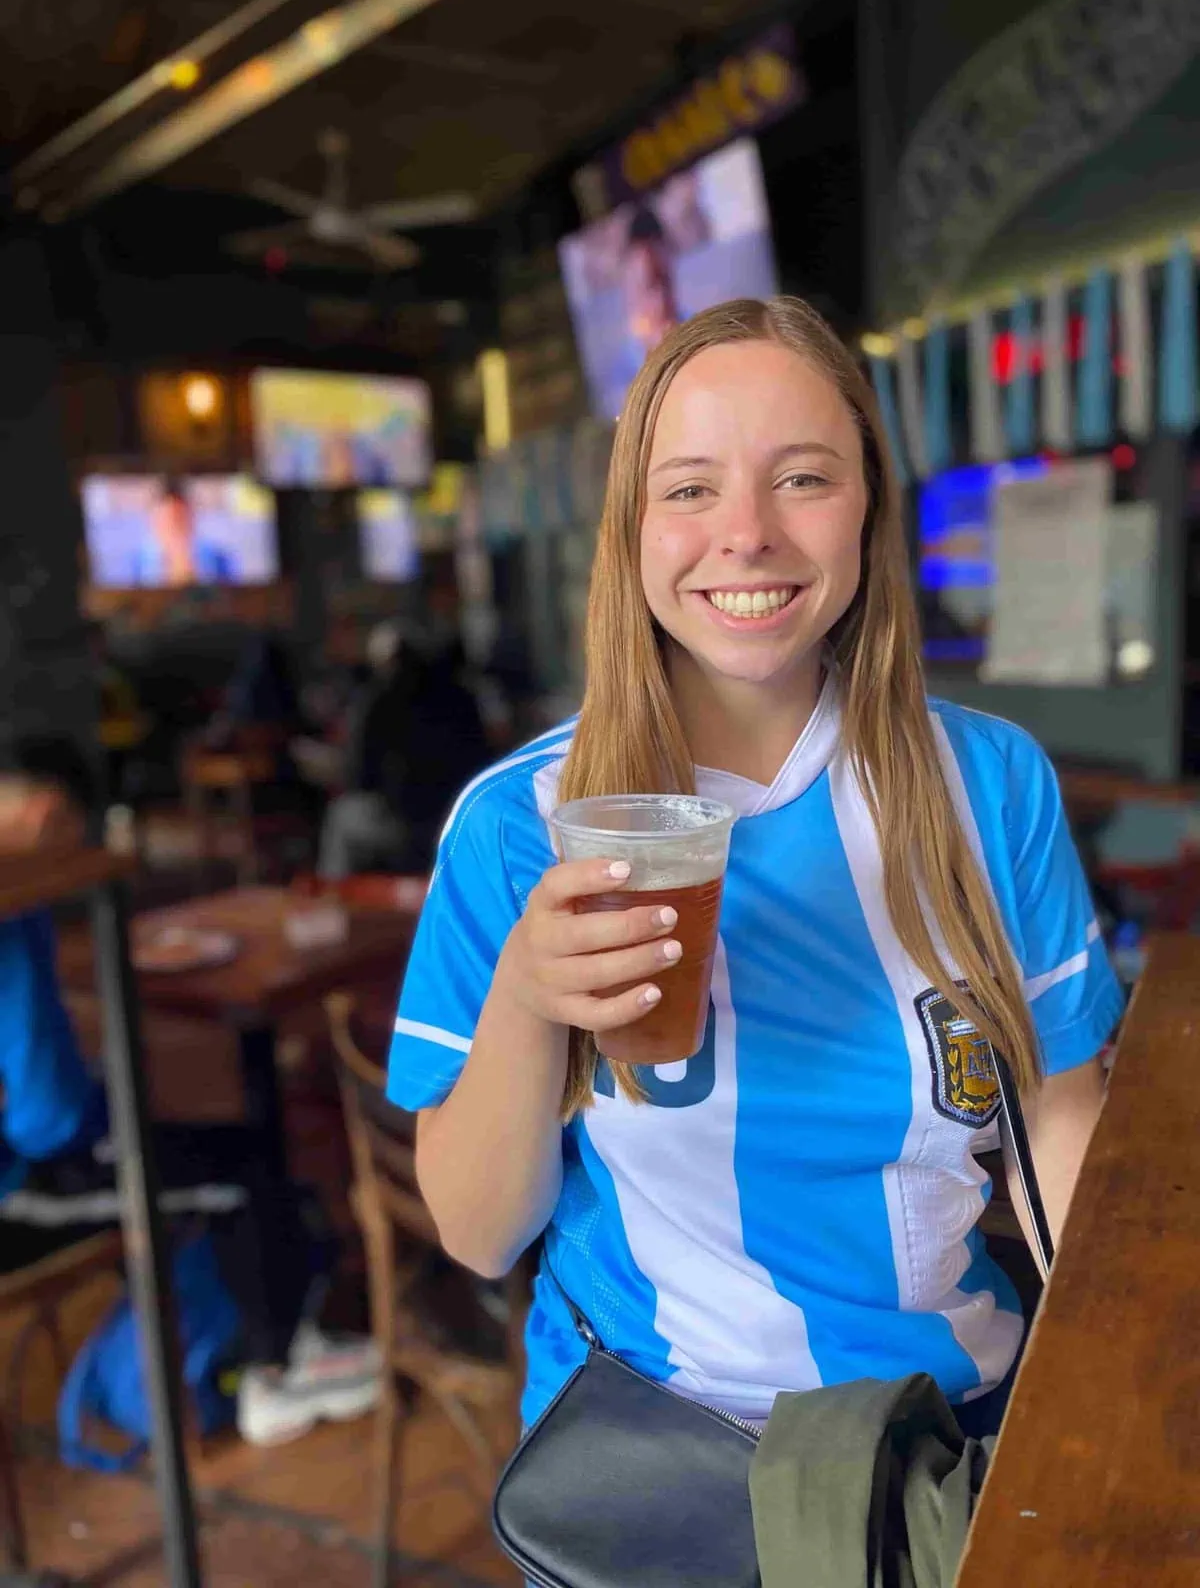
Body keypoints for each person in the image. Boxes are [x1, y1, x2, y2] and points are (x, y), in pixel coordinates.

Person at [387, 297, 1124, 1453]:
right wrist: (529, 998)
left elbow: (1057, 1119)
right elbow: (480, 1235)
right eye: (690, 489)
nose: (747, 534)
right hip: (658, 1458)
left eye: (804, 478)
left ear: (869, 505)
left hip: (944, 1432)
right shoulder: (519, 825)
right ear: (632, 527)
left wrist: (1120, 1366)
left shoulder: (990, 783)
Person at [0, 743, 382, 1446]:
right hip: (18, 1187)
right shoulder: (12, 898)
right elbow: (48, 1119)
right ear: (47, 815)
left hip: (28, 1150)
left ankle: (250, 1330)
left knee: (212, 1143)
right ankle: (275, 1372)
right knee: (238, 1173)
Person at [319, 619, 492, 879]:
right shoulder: (463, 698)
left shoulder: (377, 701)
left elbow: (360, 778)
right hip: (461, 821)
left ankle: (334, 897)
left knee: (340, 816)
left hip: (404, 830)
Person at [137, 482, 233, 587]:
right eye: (166, 519)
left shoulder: (218, 559)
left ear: (192, 519)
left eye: (179, 518)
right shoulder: (137, 564)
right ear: (153, 521)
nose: (173, 526)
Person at [623, 203, 679, 353]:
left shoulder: (695, 329)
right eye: (650, 286)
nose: (662, 299)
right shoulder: (630, 360)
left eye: (665, 282)